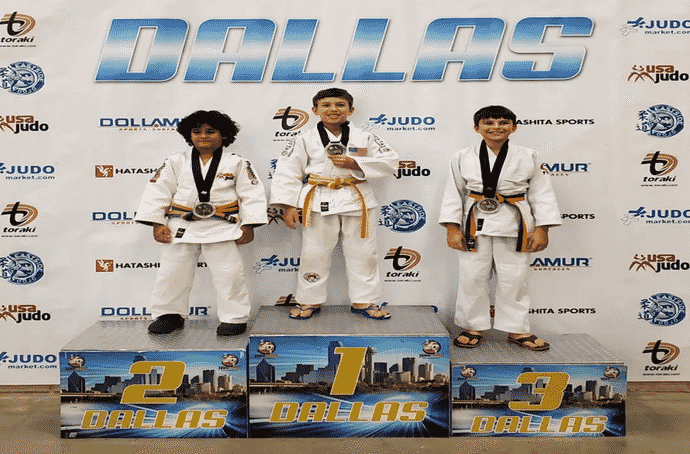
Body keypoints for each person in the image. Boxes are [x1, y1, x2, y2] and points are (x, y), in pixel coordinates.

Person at [439, 106, 561, 351]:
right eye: (489, 122)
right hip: (474, 224)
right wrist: (452, 228)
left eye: (503, 122)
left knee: (515, 279)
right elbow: (453, 192)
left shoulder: (529, 155)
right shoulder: (462, 156)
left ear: (513, 128)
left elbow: (542, 193)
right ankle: (473, 326)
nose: (496, 127)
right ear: (477, 128)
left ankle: (517, 329)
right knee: (472, 277)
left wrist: (543, 228)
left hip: (515, 224)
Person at [135, 110, 267, 336]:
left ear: (224, 135)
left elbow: (252, 194)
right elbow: (157, 192)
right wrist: (157, 223)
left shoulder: (237, 162)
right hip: (181, 225)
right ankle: (169, 314)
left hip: (223, 226)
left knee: (230, 275)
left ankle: (234, 317)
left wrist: (249, 225)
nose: (203, 136)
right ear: (189, 136)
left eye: (210, 131)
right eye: (197, 131)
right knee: (171, 273)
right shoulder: (175, 161)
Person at [270, 88, 398, 320]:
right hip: (317, 200)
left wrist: (355, 163)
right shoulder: (303, 139)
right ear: (315, 110)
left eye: (340, 105)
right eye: (326, 105)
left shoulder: (366, 137)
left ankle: (365, 300)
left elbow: (391, 162)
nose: (333, 109)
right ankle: (309, 300)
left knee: (364, 254)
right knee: (314, 253)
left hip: (357, 199)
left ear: (351, 110)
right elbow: (287, 172)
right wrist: (288, 206)